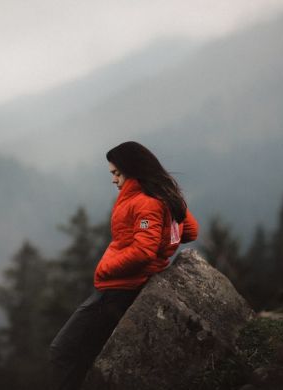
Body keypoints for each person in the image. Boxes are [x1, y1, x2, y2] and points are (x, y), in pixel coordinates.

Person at [49, 141, 198, 390]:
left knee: (62, 351)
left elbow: (143, 250)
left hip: (117, 289)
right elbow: (190, 231)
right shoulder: (164, 196)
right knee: (85, 355)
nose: (113, 179)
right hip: (126, 287)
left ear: (133, 170)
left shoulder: (146, 203)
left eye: (117, 173)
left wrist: (104, 270)